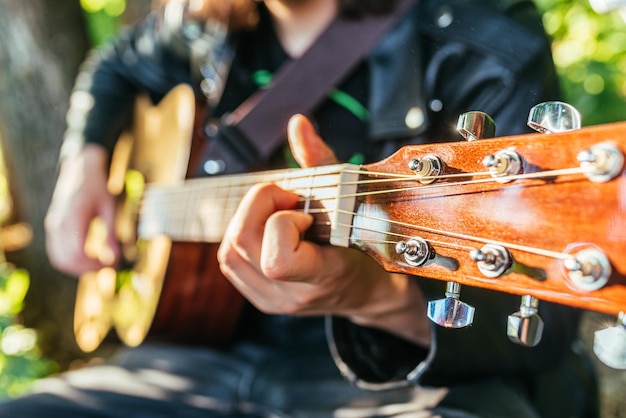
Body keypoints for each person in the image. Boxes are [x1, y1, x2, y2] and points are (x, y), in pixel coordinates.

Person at [0, 0, 598, 416]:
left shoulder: (483, 40)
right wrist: (82, 167)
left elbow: (543, 320)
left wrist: (371, 297)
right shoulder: (197, 24)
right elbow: (113, 67)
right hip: (189, 356)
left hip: (394, 381)